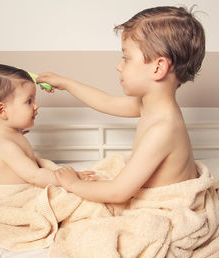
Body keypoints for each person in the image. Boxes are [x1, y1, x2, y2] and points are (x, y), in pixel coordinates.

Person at [36, 6, 205, 203]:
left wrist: (73, 184)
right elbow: (106, 102)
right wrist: (66, 83)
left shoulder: (164, 128)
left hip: (165, 204)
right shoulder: (150, 105)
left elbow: (118, 193)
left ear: (158, 68)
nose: (119, 65)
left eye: (126, 58)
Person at [0, 64, 95, 186]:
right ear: (1, 110)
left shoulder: (5, 134)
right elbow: (35, 176)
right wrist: (70, 180)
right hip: (14, 197)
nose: (36, 106)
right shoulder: (5, 145)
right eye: (29, 101)